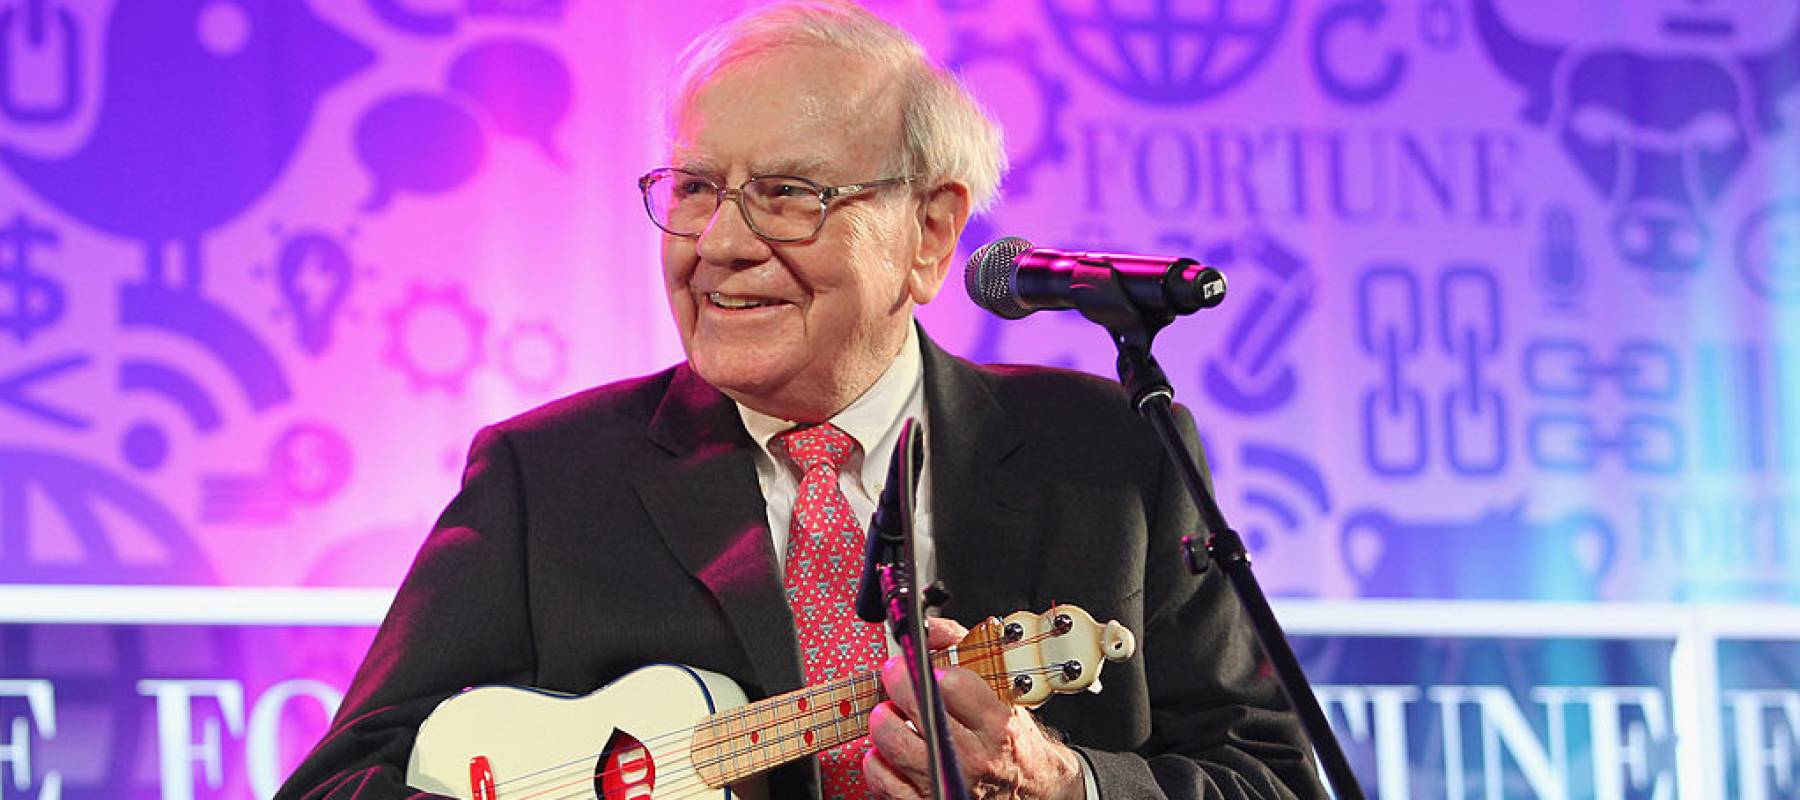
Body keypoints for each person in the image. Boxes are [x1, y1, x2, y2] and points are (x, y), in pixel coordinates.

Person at [278, 2, 1325, 798]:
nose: (720, 243)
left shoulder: (1110, 455)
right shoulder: (546, 478)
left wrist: (1065, 783)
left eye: (788, 194)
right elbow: (340, 782)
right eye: (695, 187)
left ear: (930, 233)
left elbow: (1271, 777)